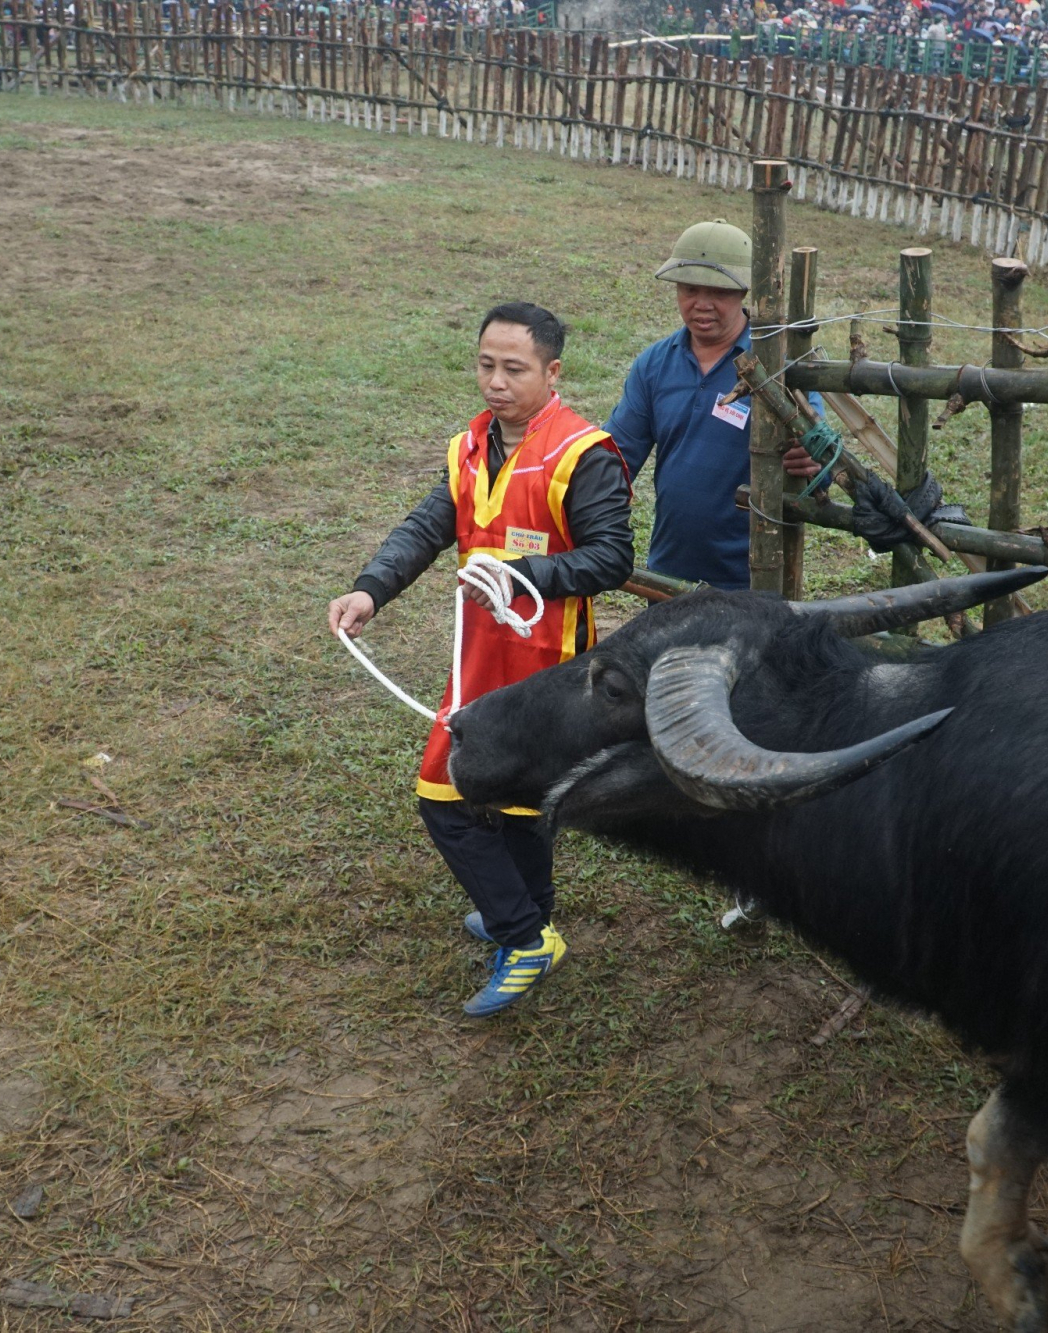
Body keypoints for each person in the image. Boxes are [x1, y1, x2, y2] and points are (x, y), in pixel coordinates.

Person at [327, 303, 632, 1018]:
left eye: (514, 369)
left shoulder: (582, 454)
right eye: (486, 365)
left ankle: (523, 935)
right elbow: (430, 526)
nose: (495, 382)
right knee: (509, 801)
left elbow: (611, 557)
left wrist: (524, 574)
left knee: (450, 798)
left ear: (552, 373)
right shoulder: (468, 446)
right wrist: (371, 590)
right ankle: (525, 913)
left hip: (548, 670)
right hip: (476, 662)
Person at [604, 220, 824, 589]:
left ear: (742, 292)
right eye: (690, 289)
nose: (701, 304)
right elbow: (615, 457)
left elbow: (819, 456)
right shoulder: (655, 364)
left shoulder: (781, 365)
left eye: (718, 292)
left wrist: (812, 460)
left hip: (753, 578)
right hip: (668, 573)